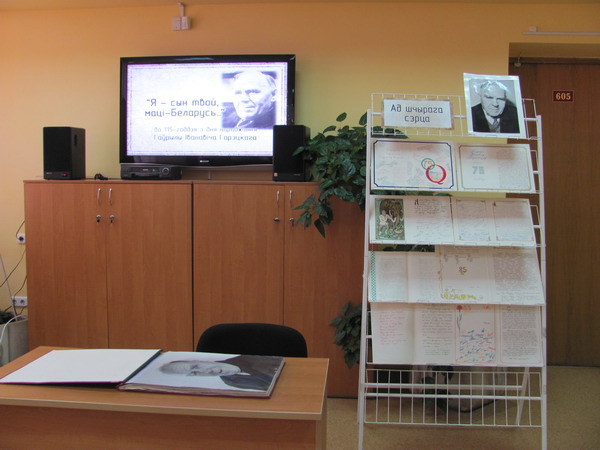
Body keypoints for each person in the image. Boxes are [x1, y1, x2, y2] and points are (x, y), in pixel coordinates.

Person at [159, 354, 281, 391]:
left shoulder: (248, 357)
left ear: (198, 360)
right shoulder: (231, 381)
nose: (205, 371)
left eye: (195, 366)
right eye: (195, 373)